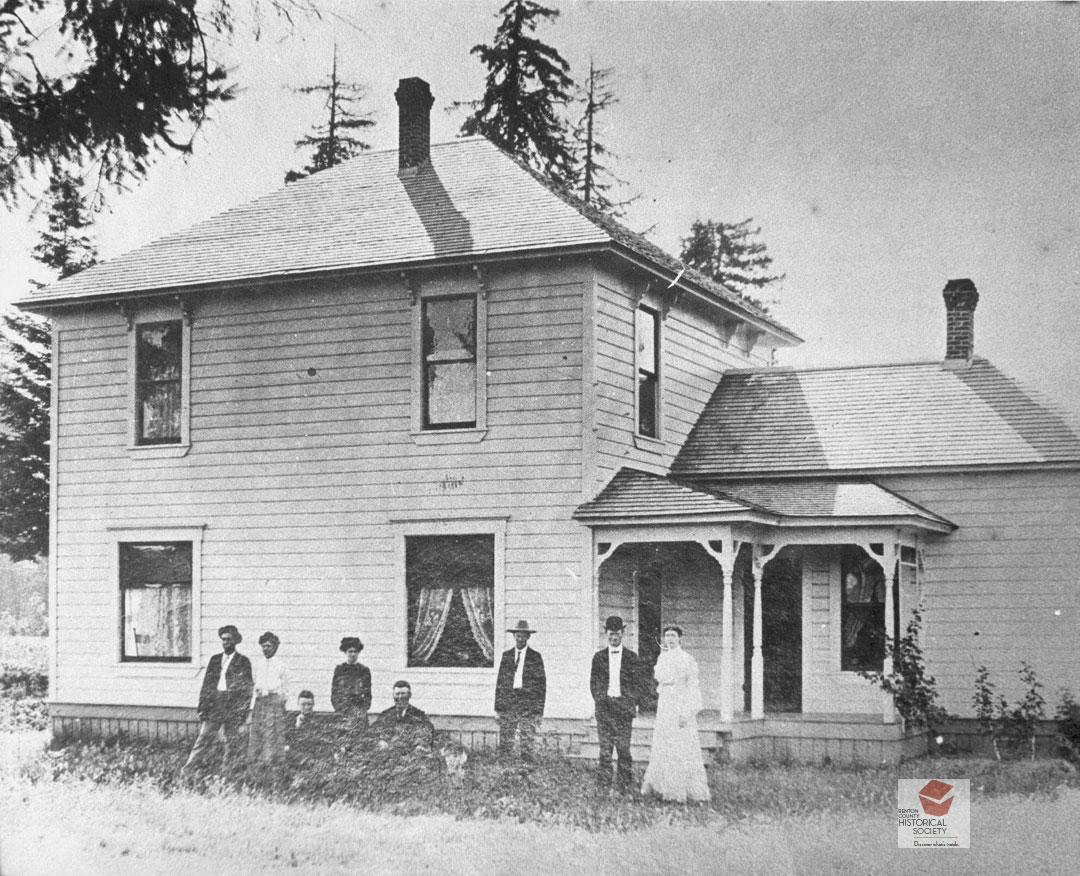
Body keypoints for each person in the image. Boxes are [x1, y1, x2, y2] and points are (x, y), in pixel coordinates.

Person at [641, 625, 711, 803]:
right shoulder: (662, 657)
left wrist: (687, 712)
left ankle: (681, 789)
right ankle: (661, 787)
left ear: (680, 639)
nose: (670, 639)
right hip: (665, 704)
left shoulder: (687, 659)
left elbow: (692, 687)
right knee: (663, 743)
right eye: (667, 636)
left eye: (673, 636)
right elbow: (661, 681)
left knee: (681, 745)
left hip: (680, 704)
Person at [182, 624, 253, 776]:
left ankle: (227, 773)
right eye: (223, 640)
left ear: (235, 641)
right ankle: (187, 771)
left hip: (232, 706)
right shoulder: (215, 660)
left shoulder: (243, 662)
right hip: (215, 703)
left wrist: (242, 713)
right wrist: (202, 707)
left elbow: (247, 691)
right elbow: (206, 685)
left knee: (231, 742)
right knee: (203, 739)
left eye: (229, 639)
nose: (226, 642)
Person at [590, 615, 644, 794]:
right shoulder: (598, 657)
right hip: (605, 709)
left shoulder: (631, 658)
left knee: (623, 749)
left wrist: (628, 703)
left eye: (617, 634)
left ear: (623, 633)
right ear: (606, 633)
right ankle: (604, 785)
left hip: (623, 710)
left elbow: (637, 685)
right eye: (611, 634)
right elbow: (594, 684)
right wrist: (602, 700)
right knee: (605, 749)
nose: (614, 637)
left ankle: (624, 786)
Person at [494, 619, 546, 764]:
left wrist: (538, 712)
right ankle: (505, 769)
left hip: (527, 702)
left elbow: (541, 687)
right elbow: (500, 684)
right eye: (518, 635)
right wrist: (498, 709)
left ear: (528, 637)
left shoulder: (535, 657)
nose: (520, 639)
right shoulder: (506, 656)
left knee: (527, 739)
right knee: (506, 739)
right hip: (509, 701)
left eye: (523, 636)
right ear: (514, 636)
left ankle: (526, 770)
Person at [248, 631, 289, 770]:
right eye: (263, 646)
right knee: (258, 731)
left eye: (269, 646)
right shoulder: (258, 664)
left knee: (272, 732)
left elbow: (284, 687)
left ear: (275, 647)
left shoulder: (280, 665)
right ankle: (256, 763)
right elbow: (254, 683)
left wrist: (282, 703)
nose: (266, 649)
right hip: (260, 702)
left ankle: (271, 762)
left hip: (274, 701)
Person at [372, 680, 435, 754]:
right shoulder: (386, 714)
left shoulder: (419, 715)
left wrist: (420, 744)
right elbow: (375, 731)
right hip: (389, 754)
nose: (400, 697)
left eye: (403, 694)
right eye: (397, 694)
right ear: (393, 695)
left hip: (410, 754)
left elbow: (425, 732)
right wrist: (381, 741)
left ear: (409, 695)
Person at [331, 636, 372, 728]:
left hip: (359, 711)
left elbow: (368, 694)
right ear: (345, 653)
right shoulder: (339, 670)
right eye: (350, 651)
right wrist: (340, 708)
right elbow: (334, 693)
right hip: (343, 711)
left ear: (358, 653)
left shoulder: (364, 670)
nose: (353, 654)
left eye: (355, 651)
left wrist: (362, 710)